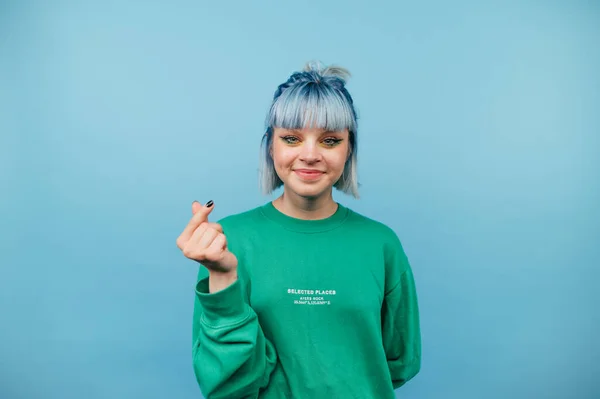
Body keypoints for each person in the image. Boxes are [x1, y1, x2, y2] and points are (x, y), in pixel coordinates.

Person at [176, 61, 422, 398]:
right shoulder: (226, 242)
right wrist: (221, 275)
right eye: (291, 138)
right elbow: (226, 385)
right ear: (270, 146)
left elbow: (400, 361)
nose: (309, 155)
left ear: (349, 148)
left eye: (330, 140)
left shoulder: (381, 244)